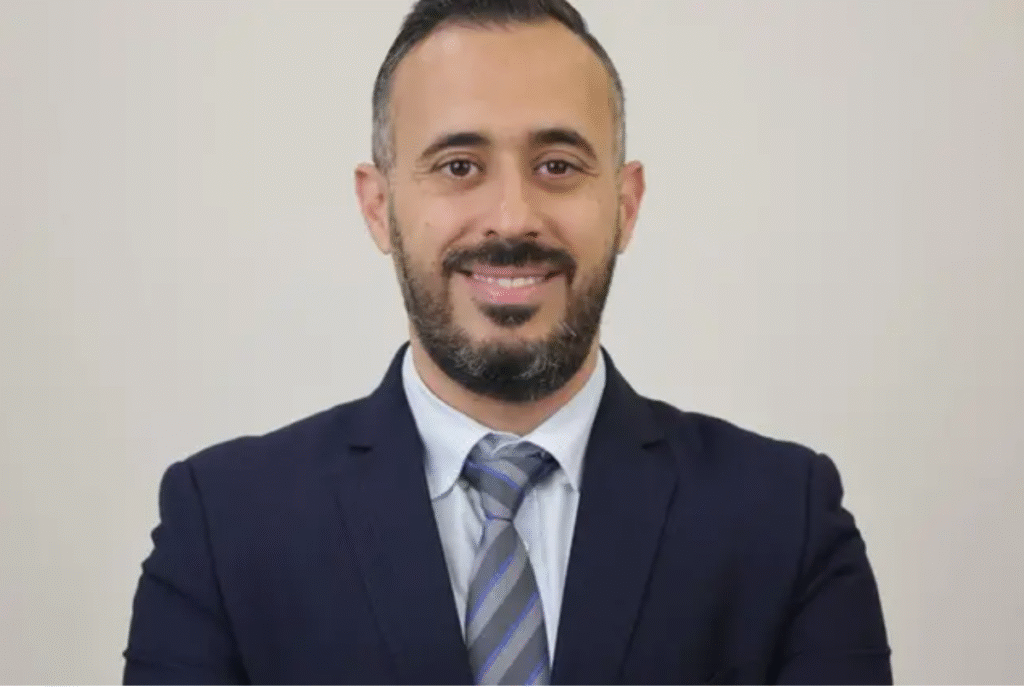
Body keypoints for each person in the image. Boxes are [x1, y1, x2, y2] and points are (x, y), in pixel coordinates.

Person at [123, 0, 891, 684]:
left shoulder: (785, 519)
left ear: (625, 205)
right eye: (459, 166)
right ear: (378, 206)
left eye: (558, 165)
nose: (513, 217)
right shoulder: (223, 526)